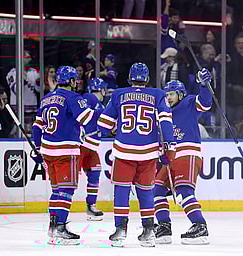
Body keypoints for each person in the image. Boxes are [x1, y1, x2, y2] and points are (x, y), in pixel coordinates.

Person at [97, 62, 176, 247]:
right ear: (147, 79)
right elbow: (166, 122)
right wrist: (169, 148)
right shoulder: (158, 94)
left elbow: (103, 125)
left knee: (122, 190)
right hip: (148, 153)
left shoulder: (118, 94)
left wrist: (111, 125)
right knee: (146, 191)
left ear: (129, 78)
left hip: (124, 151)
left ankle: (120, 231)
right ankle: (148, 232)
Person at [31, 66, 96, 246]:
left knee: (57, 190)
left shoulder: (45, 99)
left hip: (48, 152)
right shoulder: (73, 98)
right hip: (66, 151)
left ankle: (53, 228)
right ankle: (59, 228)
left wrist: (37, 147)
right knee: (66, 191)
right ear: (72, 81)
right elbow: (88, 120)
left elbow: (36, 127)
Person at [153, 69, 212, 245]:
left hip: (187, 153)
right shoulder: (162, 111)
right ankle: (164, 226)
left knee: (184, 191)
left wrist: (204, 85)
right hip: (168, 156)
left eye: (171, 94)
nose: (168, 97)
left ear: (180, 94)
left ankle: (200, 226)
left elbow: (205, 103)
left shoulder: (189, 102)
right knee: (156, 190)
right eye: (166, 95)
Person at [80, 78, 107, 221]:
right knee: (70, 178)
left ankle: (91, 205)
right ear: (101, 89)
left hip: (92, 146)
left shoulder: (99, 104)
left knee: (95, 174)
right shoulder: (88, 97)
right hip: (83, 144)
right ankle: (58, 206)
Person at [6, 50, 40, 135]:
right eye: (27, 57)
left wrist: (39, 80)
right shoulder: (12, 73)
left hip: (32, 109)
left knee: (31, 134)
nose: (30, 60)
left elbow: (39, 89)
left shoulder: (33, 72)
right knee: (17, 133)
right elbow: (16, 90)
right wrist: (23, 79)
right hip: (18, 110)